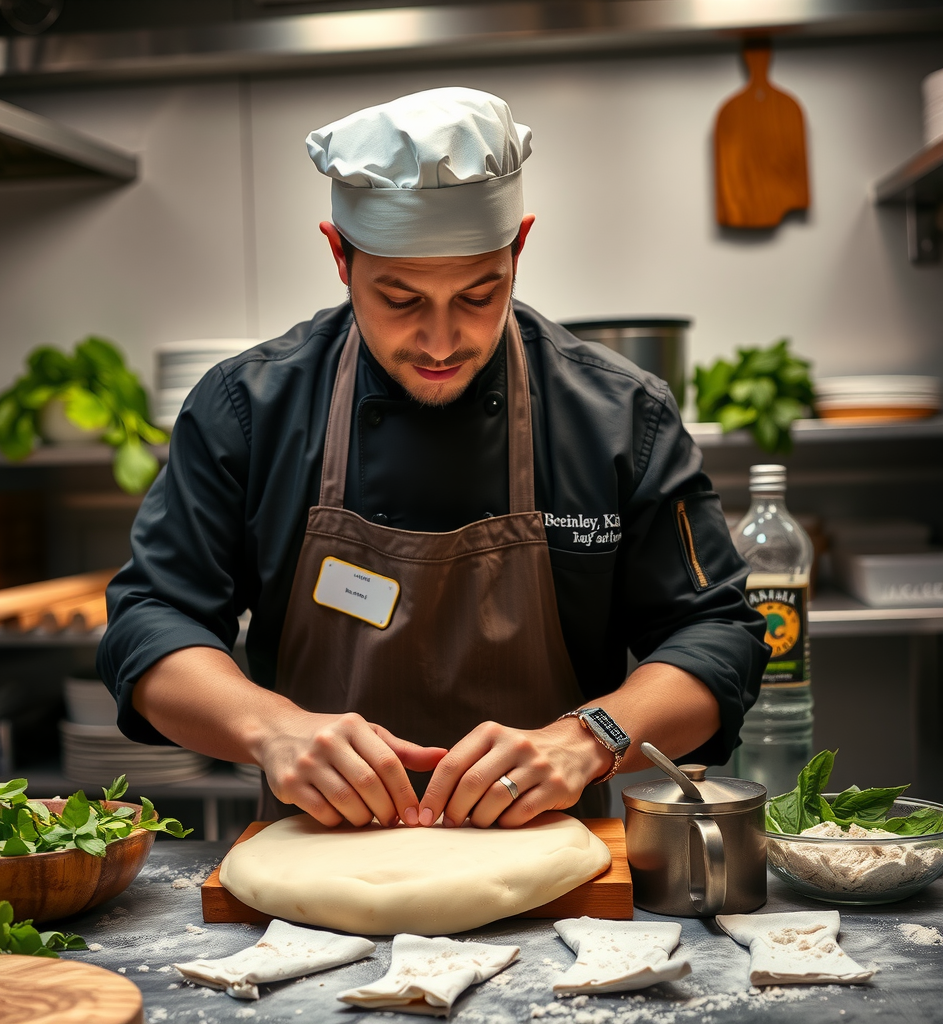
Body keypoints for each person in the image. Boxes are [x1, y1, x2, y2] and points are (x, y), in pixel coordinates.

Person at [98, 87, 768, 831]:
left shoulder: (617, 417)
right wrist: (270, 727)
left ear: (520, 248)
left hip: (555, 881)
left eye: (481, 295)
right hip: (315, 871)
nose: (443, 341)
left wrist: (589, 740)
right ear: (339, 255)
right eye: (401, 300)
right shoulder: (249, 410)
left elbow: (719, 635)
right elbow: (150, 620)